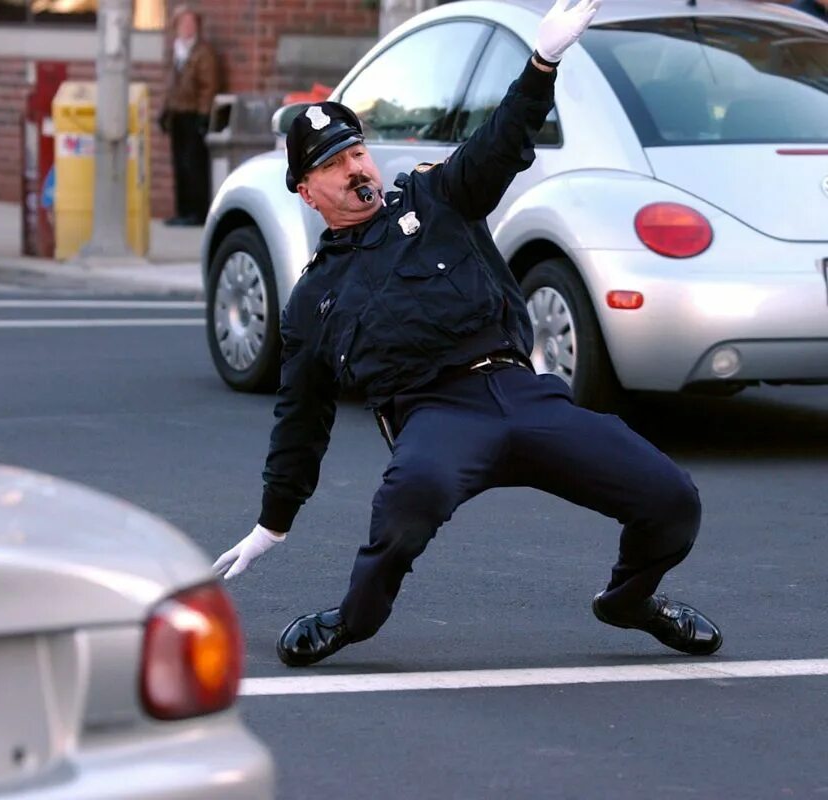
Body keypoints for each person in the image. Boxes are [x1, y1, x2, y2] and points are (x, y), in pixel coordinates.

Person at [213, 0, 723, 667]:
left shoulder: (436, 199)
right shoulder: (314, 299)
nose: (356, 168)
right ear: (308, 191)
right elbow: (300, 420)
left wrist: (542, 63)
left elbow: (498, 144)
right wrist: (272, 523)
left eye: (358, 151)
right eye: (335, 164)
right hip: (436, 415)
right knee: (408, 499)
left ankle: (631, 600)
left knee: (672, 499)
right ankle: (353, 619)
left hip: (522, 391)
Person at [158, 5, 219, 226]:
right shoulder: (177, 51)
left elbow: (208, 86)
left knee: (194, 165)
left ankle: (196, 211)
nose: (187, 28)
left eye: (191, 23)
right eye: (183, 23)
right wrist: (164, 112)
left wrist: (203, 115)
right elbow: (170, 85)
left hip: (193, 113)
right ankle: (182, 210)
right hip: (177, 114)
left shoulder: (203, 52)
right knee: (179, 165)